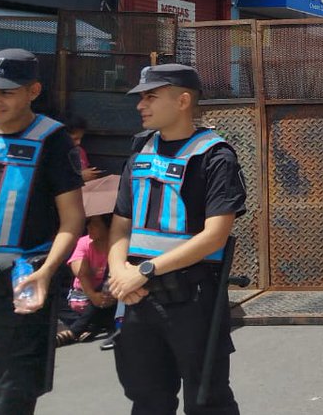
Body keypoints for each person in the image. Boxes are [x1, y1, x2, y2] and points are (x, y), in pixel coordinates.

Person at [108, 63, 246, 414]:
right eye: (140, 98)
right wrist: (120, 272)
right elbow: (120, 225)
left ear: (183, 100)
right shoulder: (140, 150)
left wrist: (145, 271)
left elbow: (215, 235)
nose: (141, 105)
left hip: (192, 300)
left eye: (151, 97)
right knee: (147, 400)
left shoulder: (215, 156)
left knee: (207, 400)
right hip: (137, 298)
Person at [0, 49, 85, 414]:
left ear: (33, 91)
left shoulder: (53, 140)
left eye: (6, 92)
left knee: (11, 402)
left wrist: (47, 272)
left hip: (17, 290)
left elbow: (72, 220)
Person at [57, 213, 116, 345]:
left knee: (108, 285)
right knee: (56, 304)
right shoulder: (84, 242)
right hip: (84, 294)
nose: (89, 227)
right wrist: (92, 295)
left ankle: (75, 331)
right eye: (88, 223)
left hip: (109, 295)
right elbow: (80, 272)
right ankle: (91, 326)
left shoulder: (117, 246)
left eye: (95, 224)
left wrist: (98, 296)